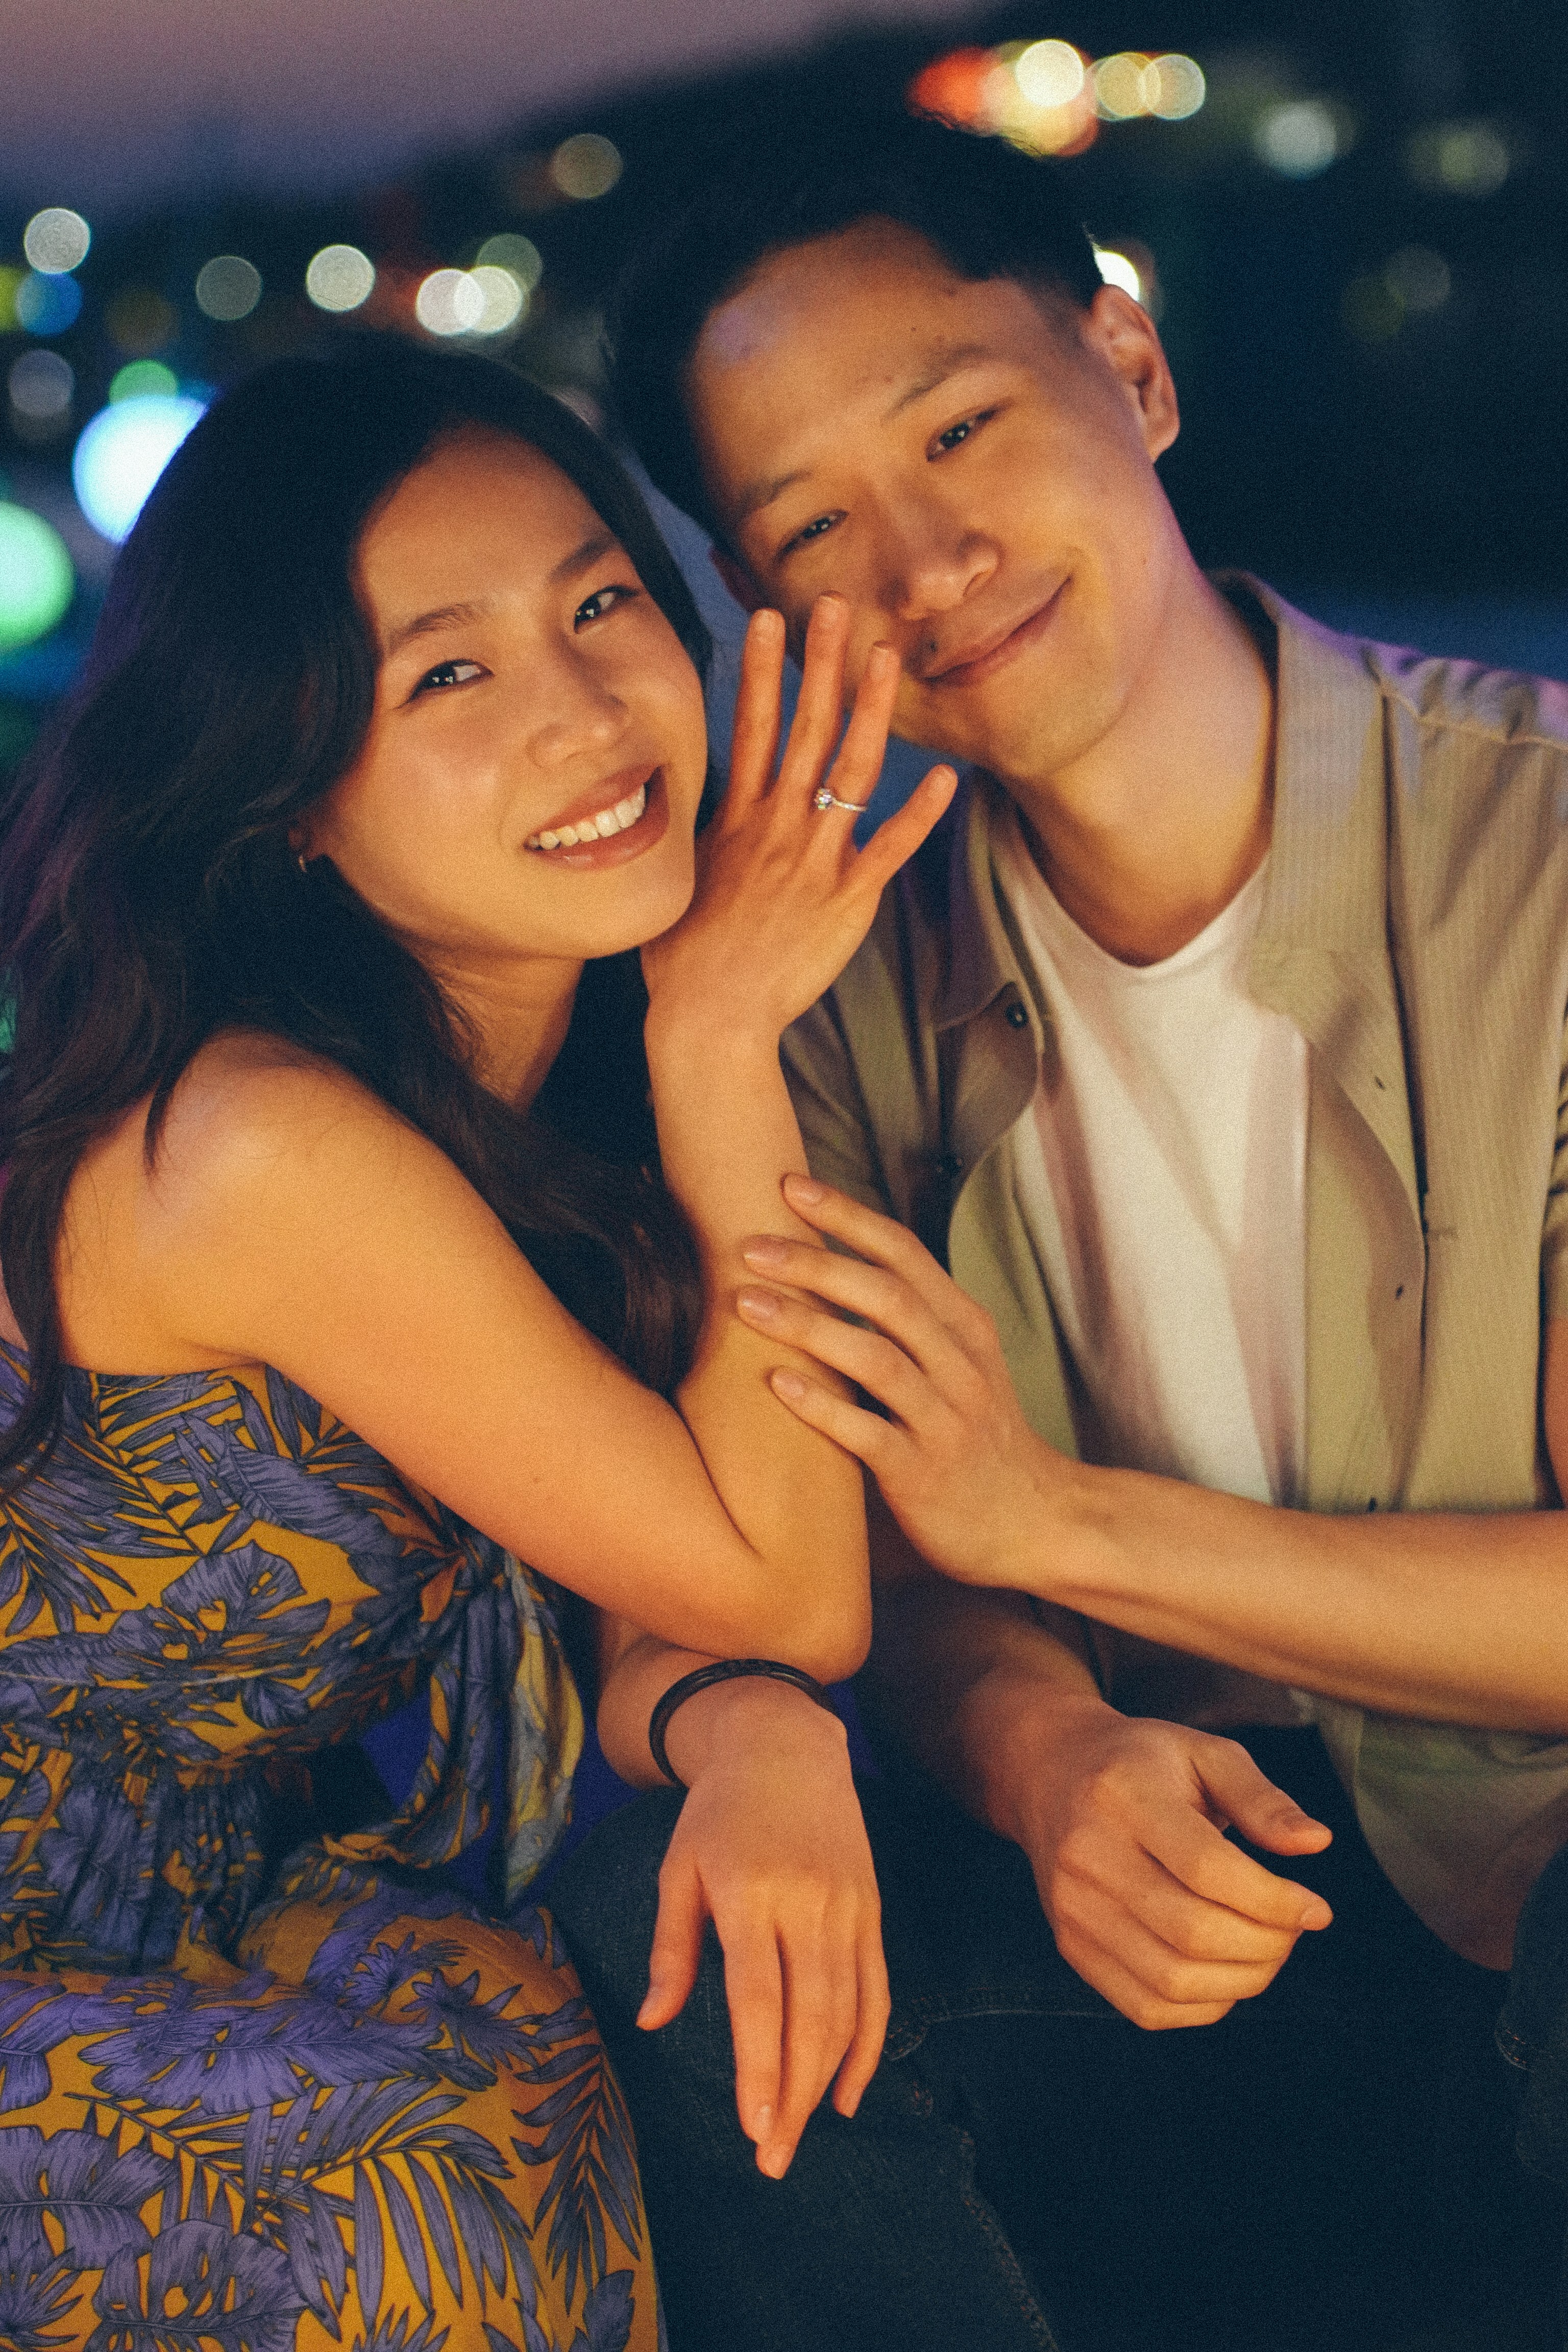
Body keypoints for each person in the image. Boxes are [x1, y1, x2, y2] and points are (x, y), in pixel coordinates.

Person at [547, 107, 1568, 2349]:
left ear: (1135, 366)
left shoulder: (1540, 852)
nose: (925, 566)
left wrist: (1056, 1524)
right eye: (810, 526)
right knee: (690, 1942)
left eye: (965, 428)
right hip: (1143, 1835)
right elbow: (835, 1557)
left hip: (1529, 1844)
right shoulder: (824, 974)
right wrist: (1041, 1749)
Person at [0, 339, 954, 2351]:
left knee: (509, 2037)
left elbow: (687, 1582)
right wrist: (718, 1042)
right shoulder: (262, 1143)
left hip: (159, 1894)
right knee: (421, 2160)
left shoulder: (519, 1097)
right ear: (292, 803)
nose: (590, 711)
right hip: (52, 1912)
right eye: (451, 676)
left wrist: (750, 1725)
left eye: (602, 601)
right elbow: (779, 1568)